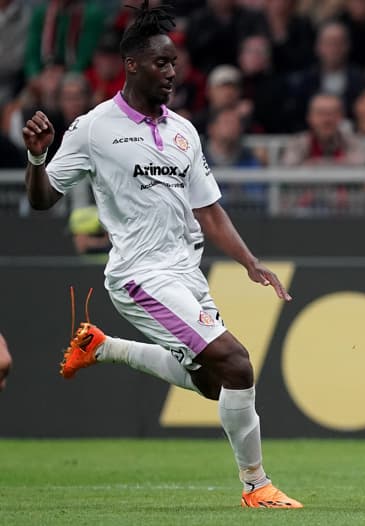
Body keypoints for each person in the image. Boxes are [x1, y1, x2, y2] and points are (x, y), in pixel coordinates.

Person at [22, 1, 302, 510]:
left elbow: (209, 211)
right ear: (132, 65)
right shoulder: (93, 127)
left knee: (215, 386)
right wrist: (38, 157)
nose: (172, 72)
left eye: (174, 63)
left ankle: (102, 347)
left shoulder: (183, 131)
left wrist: (249, 260)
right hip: (139, 276)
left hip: (186, 274)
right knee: (238, 364)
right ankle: (256, 486)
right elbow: (42, 200)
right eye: (161, 63)